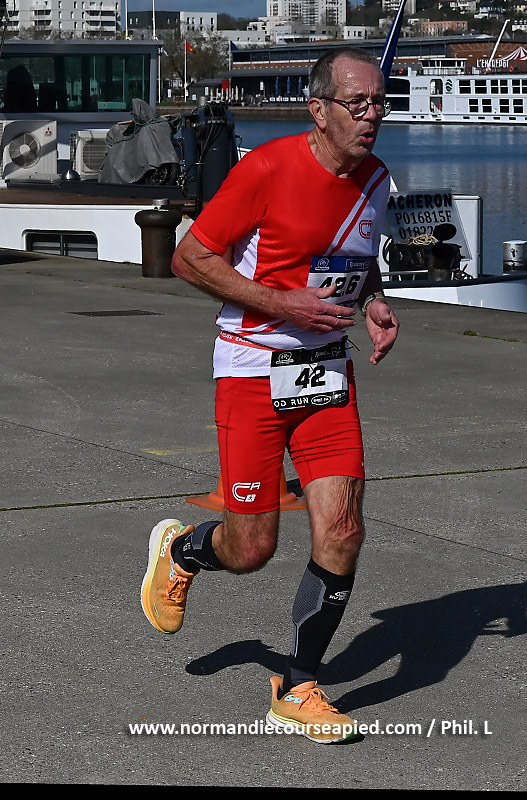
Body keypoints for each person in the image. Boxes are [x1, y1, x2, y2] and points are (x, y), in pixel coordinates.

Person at [140, 46, 399, 745]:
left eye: (380, 102)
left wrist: (373, 302)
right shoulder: (266, 169)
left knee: (343, 529)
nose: (372, 115)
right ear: (318, 110)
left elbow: (355, 255)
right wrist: (280, 304)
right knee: (251, 548)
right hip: (253, 368)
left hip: (327, 373)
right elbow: (190, 258)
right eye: (357, 103)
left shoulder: (376, 178)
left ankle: (297, 685)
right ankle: (185, 552)